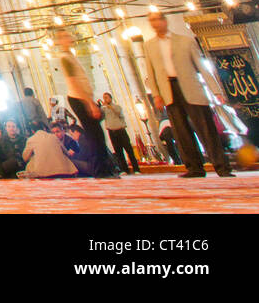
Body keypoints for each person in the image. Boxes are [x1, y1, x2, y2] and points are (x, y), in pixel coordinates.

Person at [141, 11, 233, 179]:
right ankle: (195, 168)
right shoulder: (149, 46)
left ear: (164, 21)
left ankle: (222, 167)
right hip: (169, 91)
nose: (154, 23)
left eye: (156, 19)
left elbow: (202, 68)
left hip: (191, 88)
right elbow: (151, 72)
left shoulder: (185, 41)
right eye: (151, 20)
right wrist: (156, 95)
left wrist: (216, 91)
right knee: (181, 132)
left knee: (206, 129)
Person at [55, 29, 117, 178]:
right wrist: (89, 102)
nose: (69, 37)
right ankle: (99, 170)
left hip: (82, 98)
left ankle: (105, 169)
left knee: (97, 134)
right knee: (94, 135)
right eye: (64, 36)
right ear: (59, 41)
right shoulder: (65, 58)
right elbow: (74, 82)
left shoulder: (70, 56)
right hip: (79, 98)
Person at [100, 93, 140, 175]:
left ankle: (136, 169)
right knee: (118, 152)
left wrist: (109, 106)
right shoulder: (104, 109)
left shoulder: (117, 106)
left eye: (106, 97)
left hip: (120, 130)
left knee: (129, 150)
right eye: (104, 98)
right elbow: (101, 118)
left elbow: (118, 112)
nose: (105, 99)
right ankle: (124, 170)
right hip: (112, 131)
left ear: (111, 98)